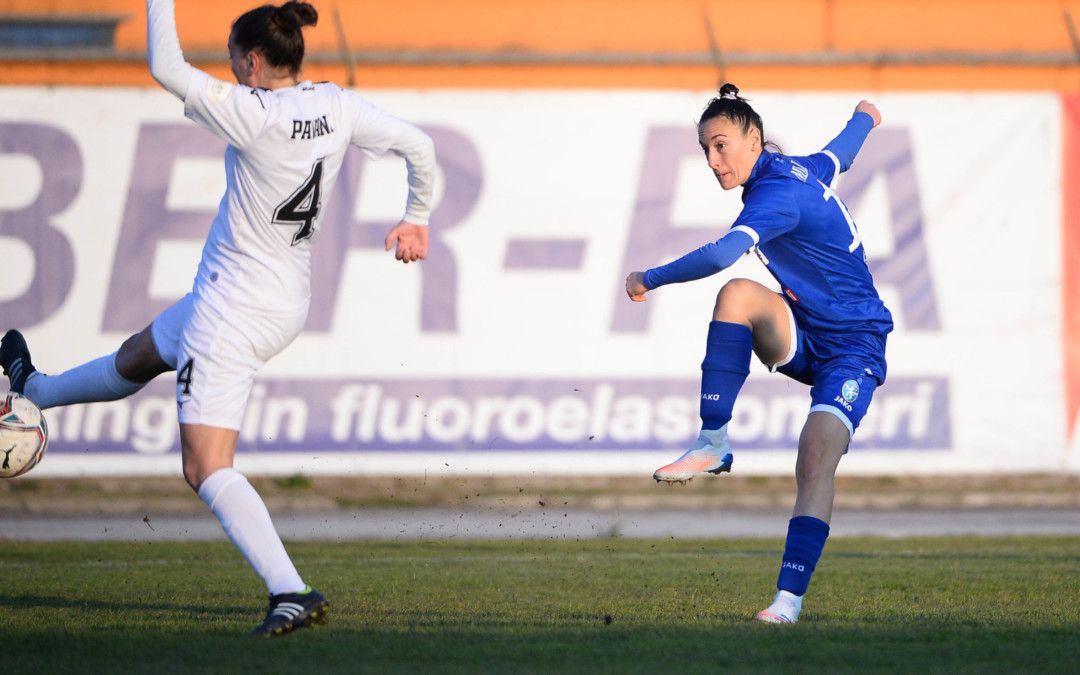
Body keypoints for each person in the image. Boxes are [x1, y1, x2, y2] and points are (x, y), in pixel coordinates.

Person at [1, 0, 435, 637]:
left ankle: (290, 591)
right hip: (280, 299)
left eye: (235, 61)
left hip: (233, 308)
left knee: (205, 466)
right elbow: (418, 145)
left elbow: (165, 65)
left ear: (254, 61)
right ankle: (36, 389)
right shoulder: (335, 105)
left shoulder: (252, 111)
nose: (231, 72)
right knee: (142, 355)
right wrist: (417, 215)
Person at [625, 84, 891, 624]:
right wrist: (865, 115)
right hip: (804, 330)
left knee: (815, 458)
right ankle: (712, 440)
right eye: (705, 150)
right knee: (739, 297)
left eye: (721, 145)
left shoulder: (776, 195)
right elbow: (841, 151)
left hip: (854, 345)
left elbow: (724, 252)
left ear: (754, 139)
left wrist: (647, 278)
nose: (713, 160)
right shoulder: (798, 171)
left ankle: (787, 602)